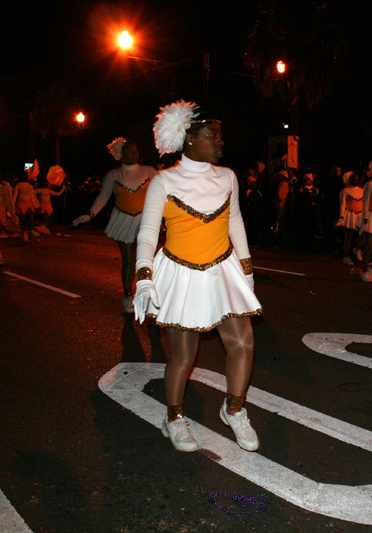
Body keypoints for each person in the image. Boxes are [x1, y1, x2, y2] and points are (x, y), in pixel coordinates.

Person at [134, 100, 262, 453]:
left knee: (243, 342)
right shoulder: (164, 181)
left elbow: (234, 221)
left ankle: (233, 409)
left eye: (221, 135)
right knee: (183, 355)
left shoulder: (228, 176)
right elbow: (147, 233)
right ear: (189, 139)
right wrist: (143, 274)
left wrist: (247, 269)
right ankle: (173, 418)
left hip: (222, 270)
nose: (221, 142)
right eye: (213, 135)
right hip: (179, 273)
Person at [73, 138, 157, 313]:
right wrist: (90, 214)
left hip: (145, 220)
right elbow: (103, 197)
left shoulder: (149, 171)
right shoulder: (113, 175)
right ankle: (128, 296)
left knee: (147, 260)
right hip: (124, 220)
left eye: (136, 151)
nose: (135, 154)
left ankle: (147, 294)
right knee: (128, 260)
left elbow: (164, 192)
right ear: (121, 155)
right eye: (130, 151)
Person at [337, 171, 364, 264]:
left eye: (357, 179)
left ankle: (357, 249)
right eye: (354, 179)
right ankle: (346, 256)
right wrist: (341, 217)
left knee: (363, 234)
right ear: (350, 180)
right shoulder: (345, 191)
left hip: (360, 215)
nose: (356, 181)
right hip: (349, 215)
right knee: (349, 237)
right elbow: (342, 205)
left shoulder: (362, 190)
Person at [12, 171, 38, 242]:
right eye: (23, 176)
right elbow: (15, 196)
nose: (25, 177)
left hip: (29, 204)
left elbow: (32, 196)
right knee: (23, 220)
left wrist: (35, 205)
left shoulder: (30, 186)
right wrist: (12, 205)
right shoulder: (18, 185)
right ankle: (24, 234)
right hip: (21, 203)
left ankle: (31, 232)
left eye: (26, 176)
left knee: (31, 219)